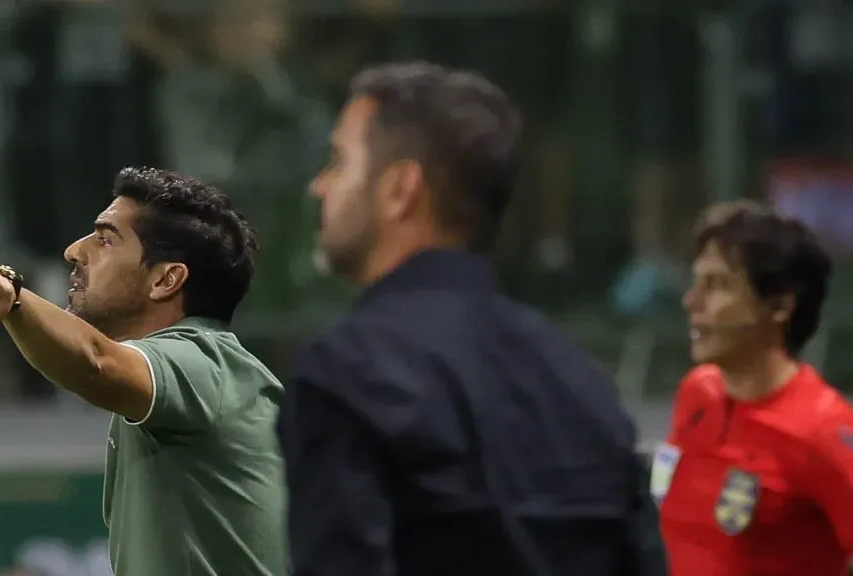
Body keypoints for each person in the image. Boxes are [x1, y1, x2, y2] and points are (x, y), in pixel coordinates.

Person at [277, 61, 664, 576]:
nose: (320, 187)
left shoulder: (343, 375)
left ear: (400, 189)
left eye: (338, 161)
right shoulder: (581, 379)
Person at [0, 167, 287, 576]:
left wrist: (11, 298)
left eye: (104, 239)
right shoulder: (178, 384)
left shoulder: (205, 361)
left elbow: (94, 363)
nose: (73, 250)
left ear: (166, 279)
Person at [654, 201, 853, 575]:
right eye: (697, 283)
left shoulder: (822, 429)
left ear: (778, 307)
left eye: (718, 285)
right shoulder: (697, 394)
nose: (692, 301)